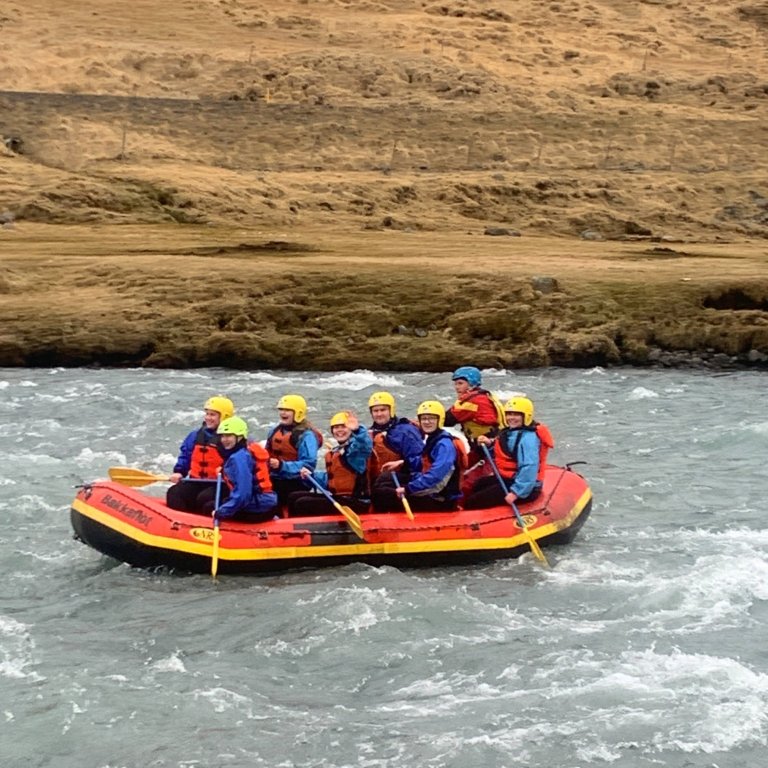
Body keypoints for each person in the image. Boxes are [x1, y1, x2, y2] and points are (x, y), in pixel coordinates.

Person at [463, 396, 554, 510]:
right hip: (509, 479)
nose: (511, 418)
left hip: (525, 487)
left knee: (474, 501)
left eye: (516, 414)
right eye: (509, 414)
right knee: (478, 484)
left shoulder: (528, 439)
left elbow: (529, 467)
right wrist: (489, 443)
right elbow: (505, 451)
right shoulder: (512, 432)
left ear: (526, 416)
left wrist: (516, 492)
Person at [372, 400, 462, 513]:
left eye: (431, 418)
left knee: (383, 494)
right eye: (424, 418)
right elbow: (425, 461)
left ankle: (384, 524)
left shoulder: (444, 445)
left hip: (439, 497)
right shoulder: (434, 438)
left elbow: (435, 477)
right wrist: (403, 463)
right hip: (429, 487)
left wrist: (408, 489)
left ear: (440, 420)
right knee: (385, 479)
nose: (427, 422)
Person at [290, 411, 373, 516]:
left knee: (301, 503)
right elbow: (330, 479)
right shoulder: (336, 451)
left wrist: (357, 430)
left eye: (343, 427)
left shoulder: (355, 451)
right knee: (294, 496)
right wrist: (310, 475)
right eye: (336, 427)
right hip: (340, 498)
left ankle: (301, 530)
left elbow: (364, 445)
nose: (339, 430)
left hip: (356, 502)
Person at [198, 416, 278, 521]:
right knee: (213, 501)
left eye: (229, 436)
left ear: (240, 437)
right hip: (263, 503)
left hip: (259, 507)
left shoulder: (239, 458)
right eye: (223, 436)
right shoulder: (243, 452)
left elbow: (243, 494)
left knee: (210, 507)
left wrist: (222, 512)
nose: (224, 440)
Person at [166, 395, 234, 513]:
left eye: (212, 415)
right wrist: (179, 471)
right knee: (174, 494)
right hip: (196, 481)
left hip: (221, 484)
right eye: (207, 414)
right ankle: (183, 523)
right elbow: (186, 455)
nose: (208, 418)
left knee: (205, 499)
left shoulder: (231, 438)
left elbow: (237, 461)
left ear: (224, 417)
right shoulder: (195, 435)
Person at [443, 366, 505, 494]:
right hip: (485, 447)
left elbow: (446, 420)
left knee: (467, 484)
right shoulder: (485, 396)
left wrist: (420, 421)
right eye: (455, 383)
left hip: (489, 450)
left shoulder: (471, 403)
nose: (456, 387)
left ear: (471, 384)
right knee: (460, 469)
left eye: (460, 383)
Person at [265, 394, 323, 507]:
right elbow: (266, 454)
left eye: (287, 410)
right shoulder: (274, 431)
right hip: (275, 477)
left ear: (298, 413)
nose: (283, 413)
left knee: (277, 493)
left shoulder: (306, 436)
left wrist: (282, 466)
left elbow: (308, 464)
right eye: (281, 409)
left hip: (296, 481)